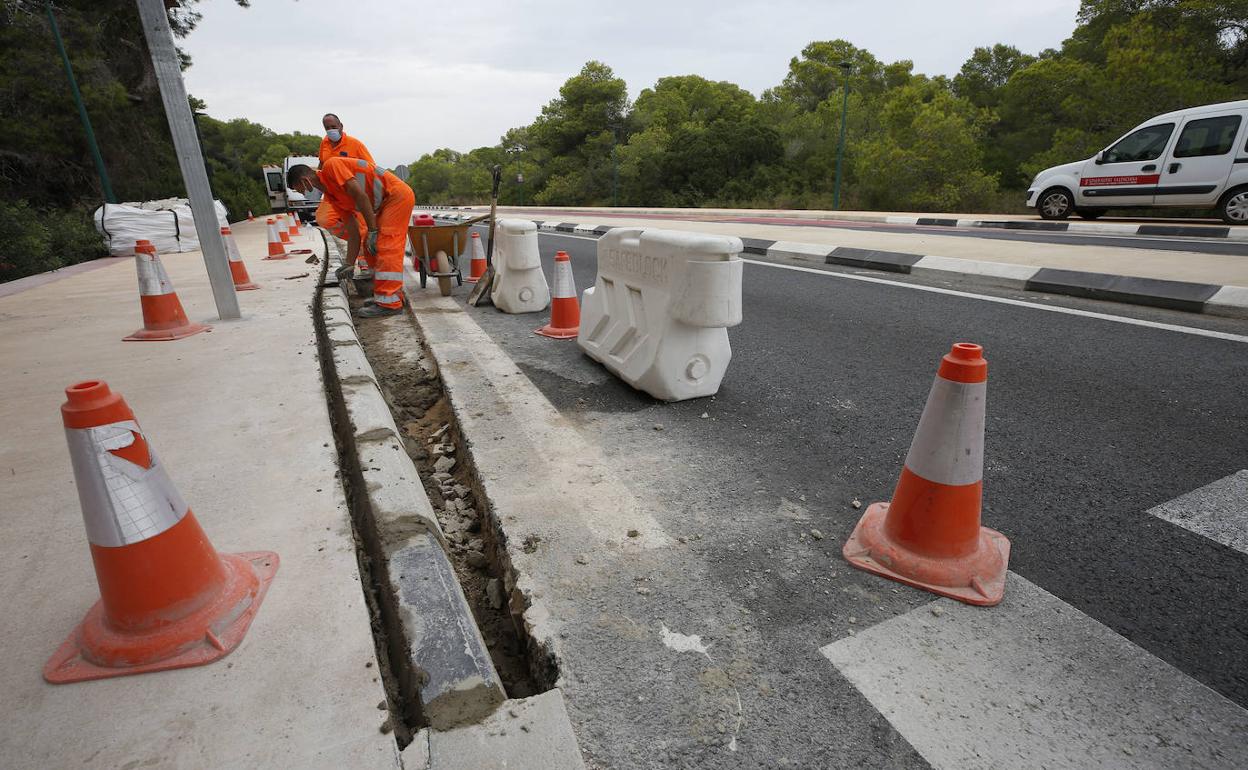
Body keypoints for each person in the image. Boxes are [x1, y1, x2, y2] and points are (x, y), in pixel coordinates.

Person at [288, 158, 414, 317]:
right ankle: (385, 296)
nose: (302, 193)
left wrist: (373, 230)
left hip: (397, 196)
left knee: (386, 246)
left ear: (305, 181)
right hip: (385, 203)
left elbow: (360, 195)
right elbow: (353, 231)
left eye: (299, 189)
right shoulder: (333, 196)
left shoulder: (331, 166)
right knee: (369, 248)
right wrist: (349, 262)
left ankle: (390, 304)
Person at [315, 114, 375, 244]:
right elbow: (321, 165)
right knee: (324, 219)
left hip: (354, 192)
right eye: (327, 128)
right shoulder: (324, 144)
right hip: (332, 193)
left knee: (364, 227)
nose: (331, 130)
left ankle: (363, 257)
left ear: (341, 126)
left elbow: (371, 168)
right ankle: (355, 238)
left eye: (333, 127)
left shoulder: (355, 144)